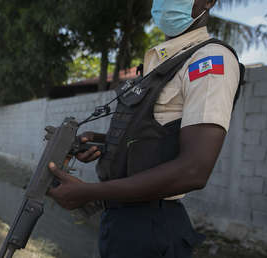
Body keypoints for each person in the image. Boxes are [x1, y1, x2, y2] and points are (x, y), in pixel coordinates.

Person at [47, 0, 244, 257]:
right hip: (122, 221)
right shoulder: (162, 61)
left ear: (207, 1)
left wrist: (89, 192)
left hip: (151, 227)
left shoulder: (208, 60)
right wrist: (104, 142)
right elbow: (157, 139)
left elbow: (194, 170)